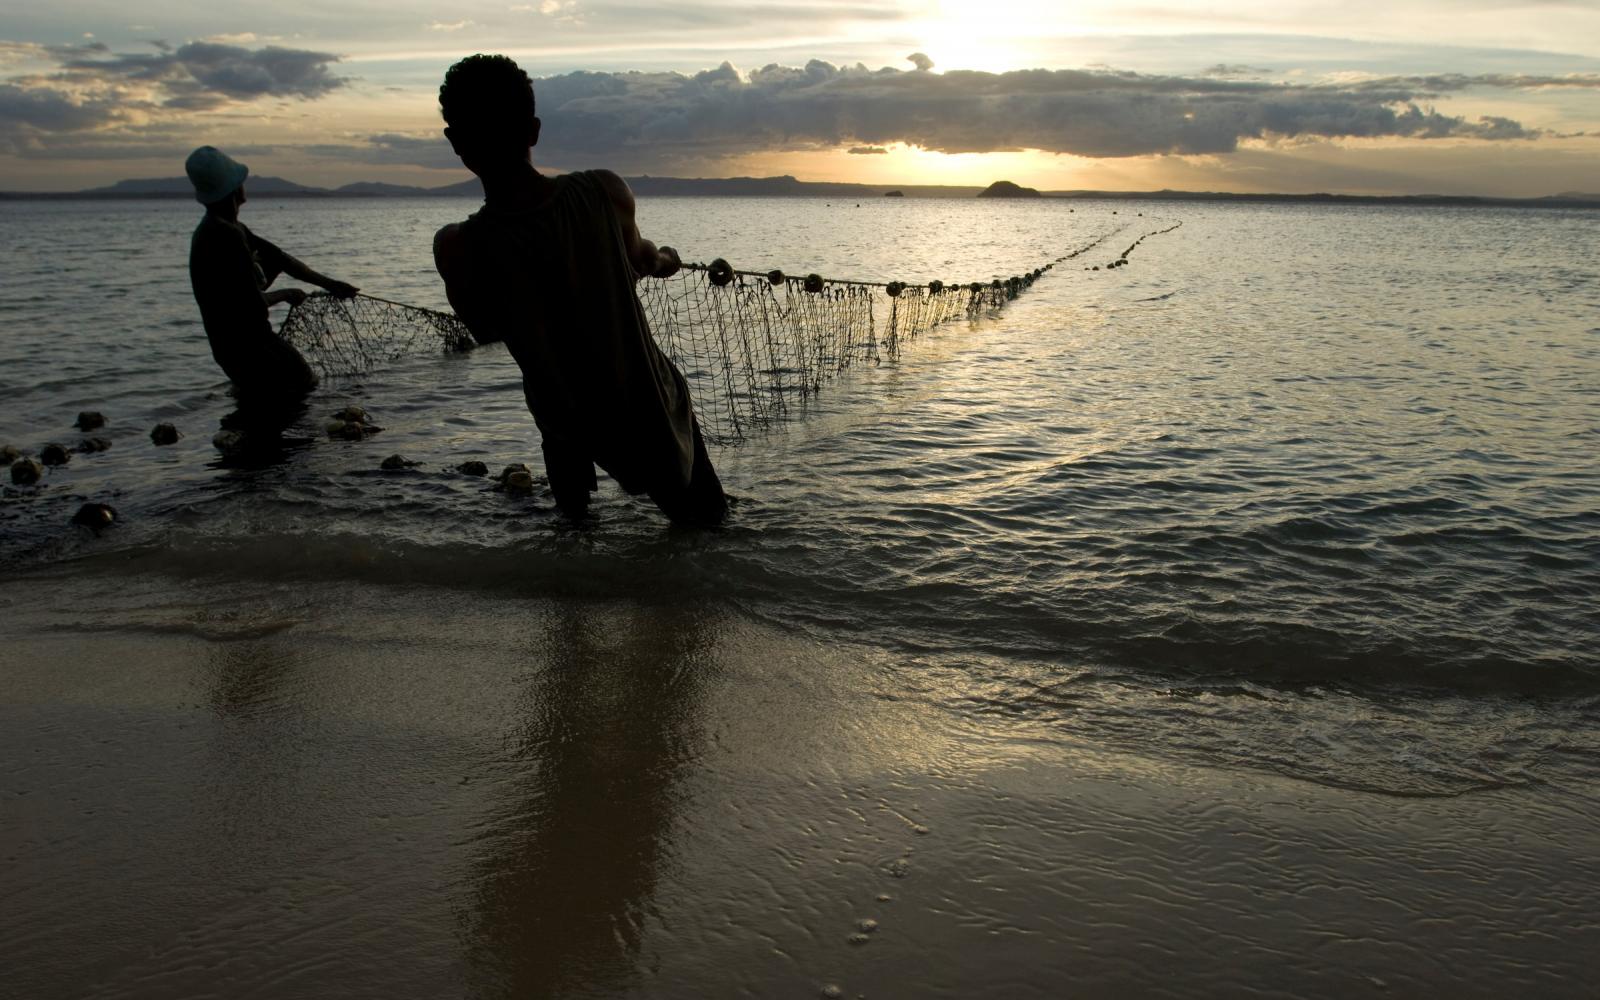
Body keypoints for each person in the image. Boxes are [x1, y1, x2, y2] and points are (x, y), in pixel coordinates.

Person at [431, 54, 727, 527]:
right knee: (705, 532)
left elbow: (483, 328)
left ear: (456, 142)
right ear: (533, 130)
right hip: (647, 406)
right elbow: (646, 259)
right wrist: (669, 258)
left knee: (572, 546)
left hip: (565, 421)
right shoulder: (603, 192)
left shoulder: (457, 247)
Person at [185, 145, 359, 397]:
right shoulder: (224, 235)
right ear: (236, 191)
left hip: (232, 349)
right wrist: (288, 293)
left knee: (267, 403)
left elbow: (280, 259)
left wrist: (331, 285)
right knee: (302, 383)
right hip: (250, 347)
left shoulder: (228, 228)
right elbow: (252, 303)